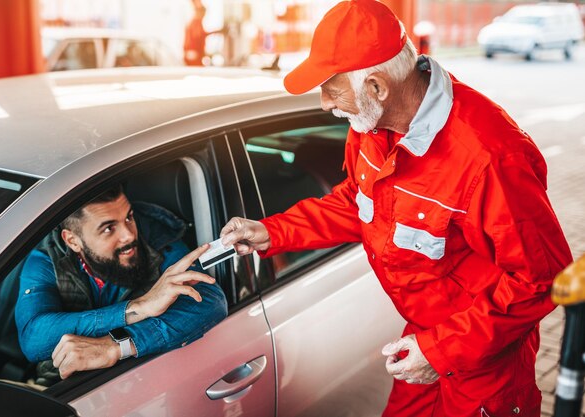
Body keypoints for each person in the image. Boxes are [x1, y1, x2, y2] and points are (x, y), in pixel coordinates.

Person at [220, 1, 572, 416]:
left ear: (377, 87)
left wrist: (440, 350)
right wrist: (274, 231)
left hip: (483, 361)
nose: (323, 103)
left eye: (331, 88)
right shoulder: (373, 126)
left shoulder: (490, 155)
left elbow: (542, 278)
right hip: (424, 340)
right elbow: (358, 202)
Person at [16, 185, 227, 384]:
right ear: (72, 241)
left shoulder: (159, 240)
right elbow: (34, 338)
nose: (128, 234)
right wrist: (137, 308)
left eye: (129, 217)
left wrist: (116, 345)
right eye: (109, 229)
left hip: (146, 381)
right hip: (66, 385)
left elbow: (209, 301)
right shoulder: (47, 259)